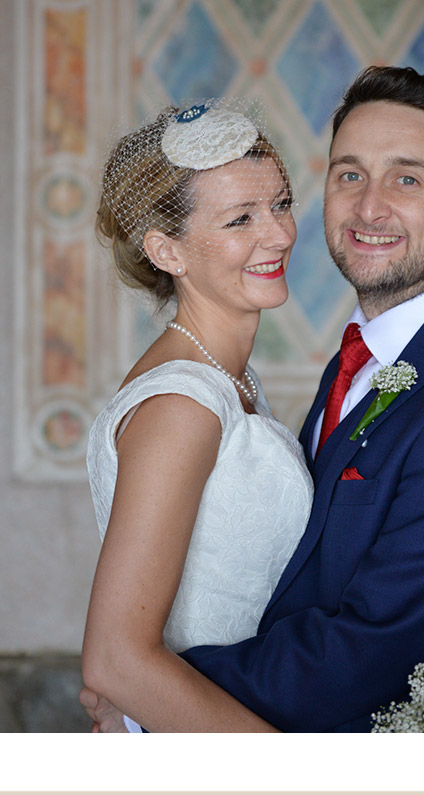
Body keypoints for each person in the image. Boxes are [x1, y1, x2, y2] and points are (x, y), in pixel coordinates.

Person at [83, 66, 424, 732]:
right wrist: (142, 685)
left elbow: (372, 646)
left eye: (407, 178)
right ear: (167, 249)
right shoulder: (374, 363)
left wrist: (151, 702)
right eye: (349, 174)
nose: (369, 207)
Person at [83, 102, 309, 731]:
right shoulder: (182, 404)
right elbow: (115, 660)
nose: (280, 234)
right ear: (166, 250)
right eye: (240, 219)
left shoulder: (231, 381)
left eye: (281, 203)